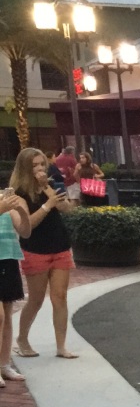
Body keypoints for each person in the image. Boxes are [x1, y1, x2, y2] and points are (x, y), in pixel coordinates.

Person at [12, 148, 76, 360]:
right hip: (35, 248)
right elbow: (27, 224)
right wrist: (47, 205)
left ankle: (61, 346)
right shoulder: (19, 193)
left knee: (60, 297)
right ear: (25, 169)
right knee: (36, 299)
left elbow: (67, 209)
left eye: (42, 164)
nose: (40, 169)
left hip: (59, 245)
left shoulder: (51, 184)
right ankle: (22, 338)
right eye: (34, 166)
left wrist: (49, 191)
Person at [0, 186, 33, 386]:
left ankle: (4, 363)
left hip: (8, 259)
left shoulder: (4, 197)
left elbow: (25, 231)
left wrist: (21, 209)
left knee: (7, 314)